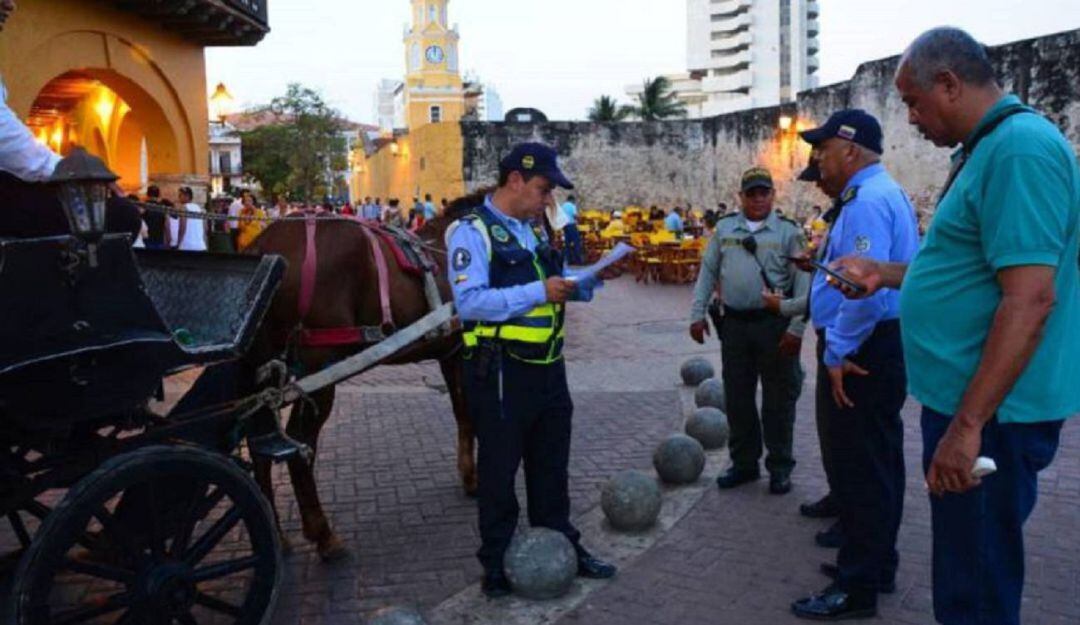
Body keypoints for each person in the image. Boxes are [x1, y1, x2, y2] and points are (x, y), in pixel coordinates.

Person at [830, 28, 1080, 625]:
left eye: (914, 102)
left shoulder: (1019, 150)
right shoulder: (988, 149)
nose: (911, 120)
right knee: (965, 568)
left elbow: (1029, 301)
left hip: (992, 416)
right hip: (976, 407)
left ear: (949, 83)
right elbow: (970, 269)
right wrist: (883, 273)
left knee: (977, 583)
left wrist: (968, 426)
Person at [446, 142, 616, 599]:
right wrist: (540, 291)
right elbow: (471, 302)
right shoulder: (471, 231)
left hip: (548, 370)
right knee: (499, 477)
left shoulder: (531, 232)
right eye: (543, 190)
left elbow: (552, 290)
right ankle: (497, 566)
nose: (548, 201)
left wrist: (588, 281)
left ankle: (561, 548)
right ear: (515, 180)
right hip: (501, 372)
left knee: (551, 471)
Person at [786, 109, 919, 621]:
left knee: (864, 468)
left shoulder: (866, 202)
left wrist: (838, 350)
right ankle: (874, 563)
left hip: (862, 348)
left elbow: (865, 291)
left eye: (822, 149)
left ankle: (857, 583)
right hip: (875, 343)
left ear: (850, 150)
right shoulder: (880, 194)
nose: (817, 159)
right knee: (879, 463)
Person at [688, 167, 809, 495]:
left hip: (774, 326)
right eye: (751, 193)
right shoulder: (726, 229)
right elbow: (708, 270)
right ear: (740, 197)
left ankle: (780, 466)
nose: (758, 199)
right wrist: (697, 313)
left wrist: (796, 329)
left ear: (772, 195)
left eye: (764, 192)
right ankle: (744, 463)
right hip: (736, 326)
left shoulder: (788, 232)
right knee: (738, 398)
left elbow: (803, 283)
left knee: (778, 401)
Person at [171, 187, 207, 252]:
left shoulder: (184, 208)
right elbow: (204, 228)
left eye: (180, 195)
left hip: (187, 246)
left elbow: (182, 227)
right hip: (200, 246)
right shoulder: (198, 208)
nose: (179, 198)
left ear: (187, 196)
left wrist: (179, 243)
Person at [560, 194, 584, 265]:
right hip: (571, 225)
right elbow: (575, 215)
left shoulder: (563, 206)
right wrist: (580, 219)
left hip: (565, 225)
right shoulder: (572, 206)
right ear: (572, 200)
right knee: (576, 242)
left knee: (567, 243)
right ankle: (578, 260)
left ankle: (569, 260)